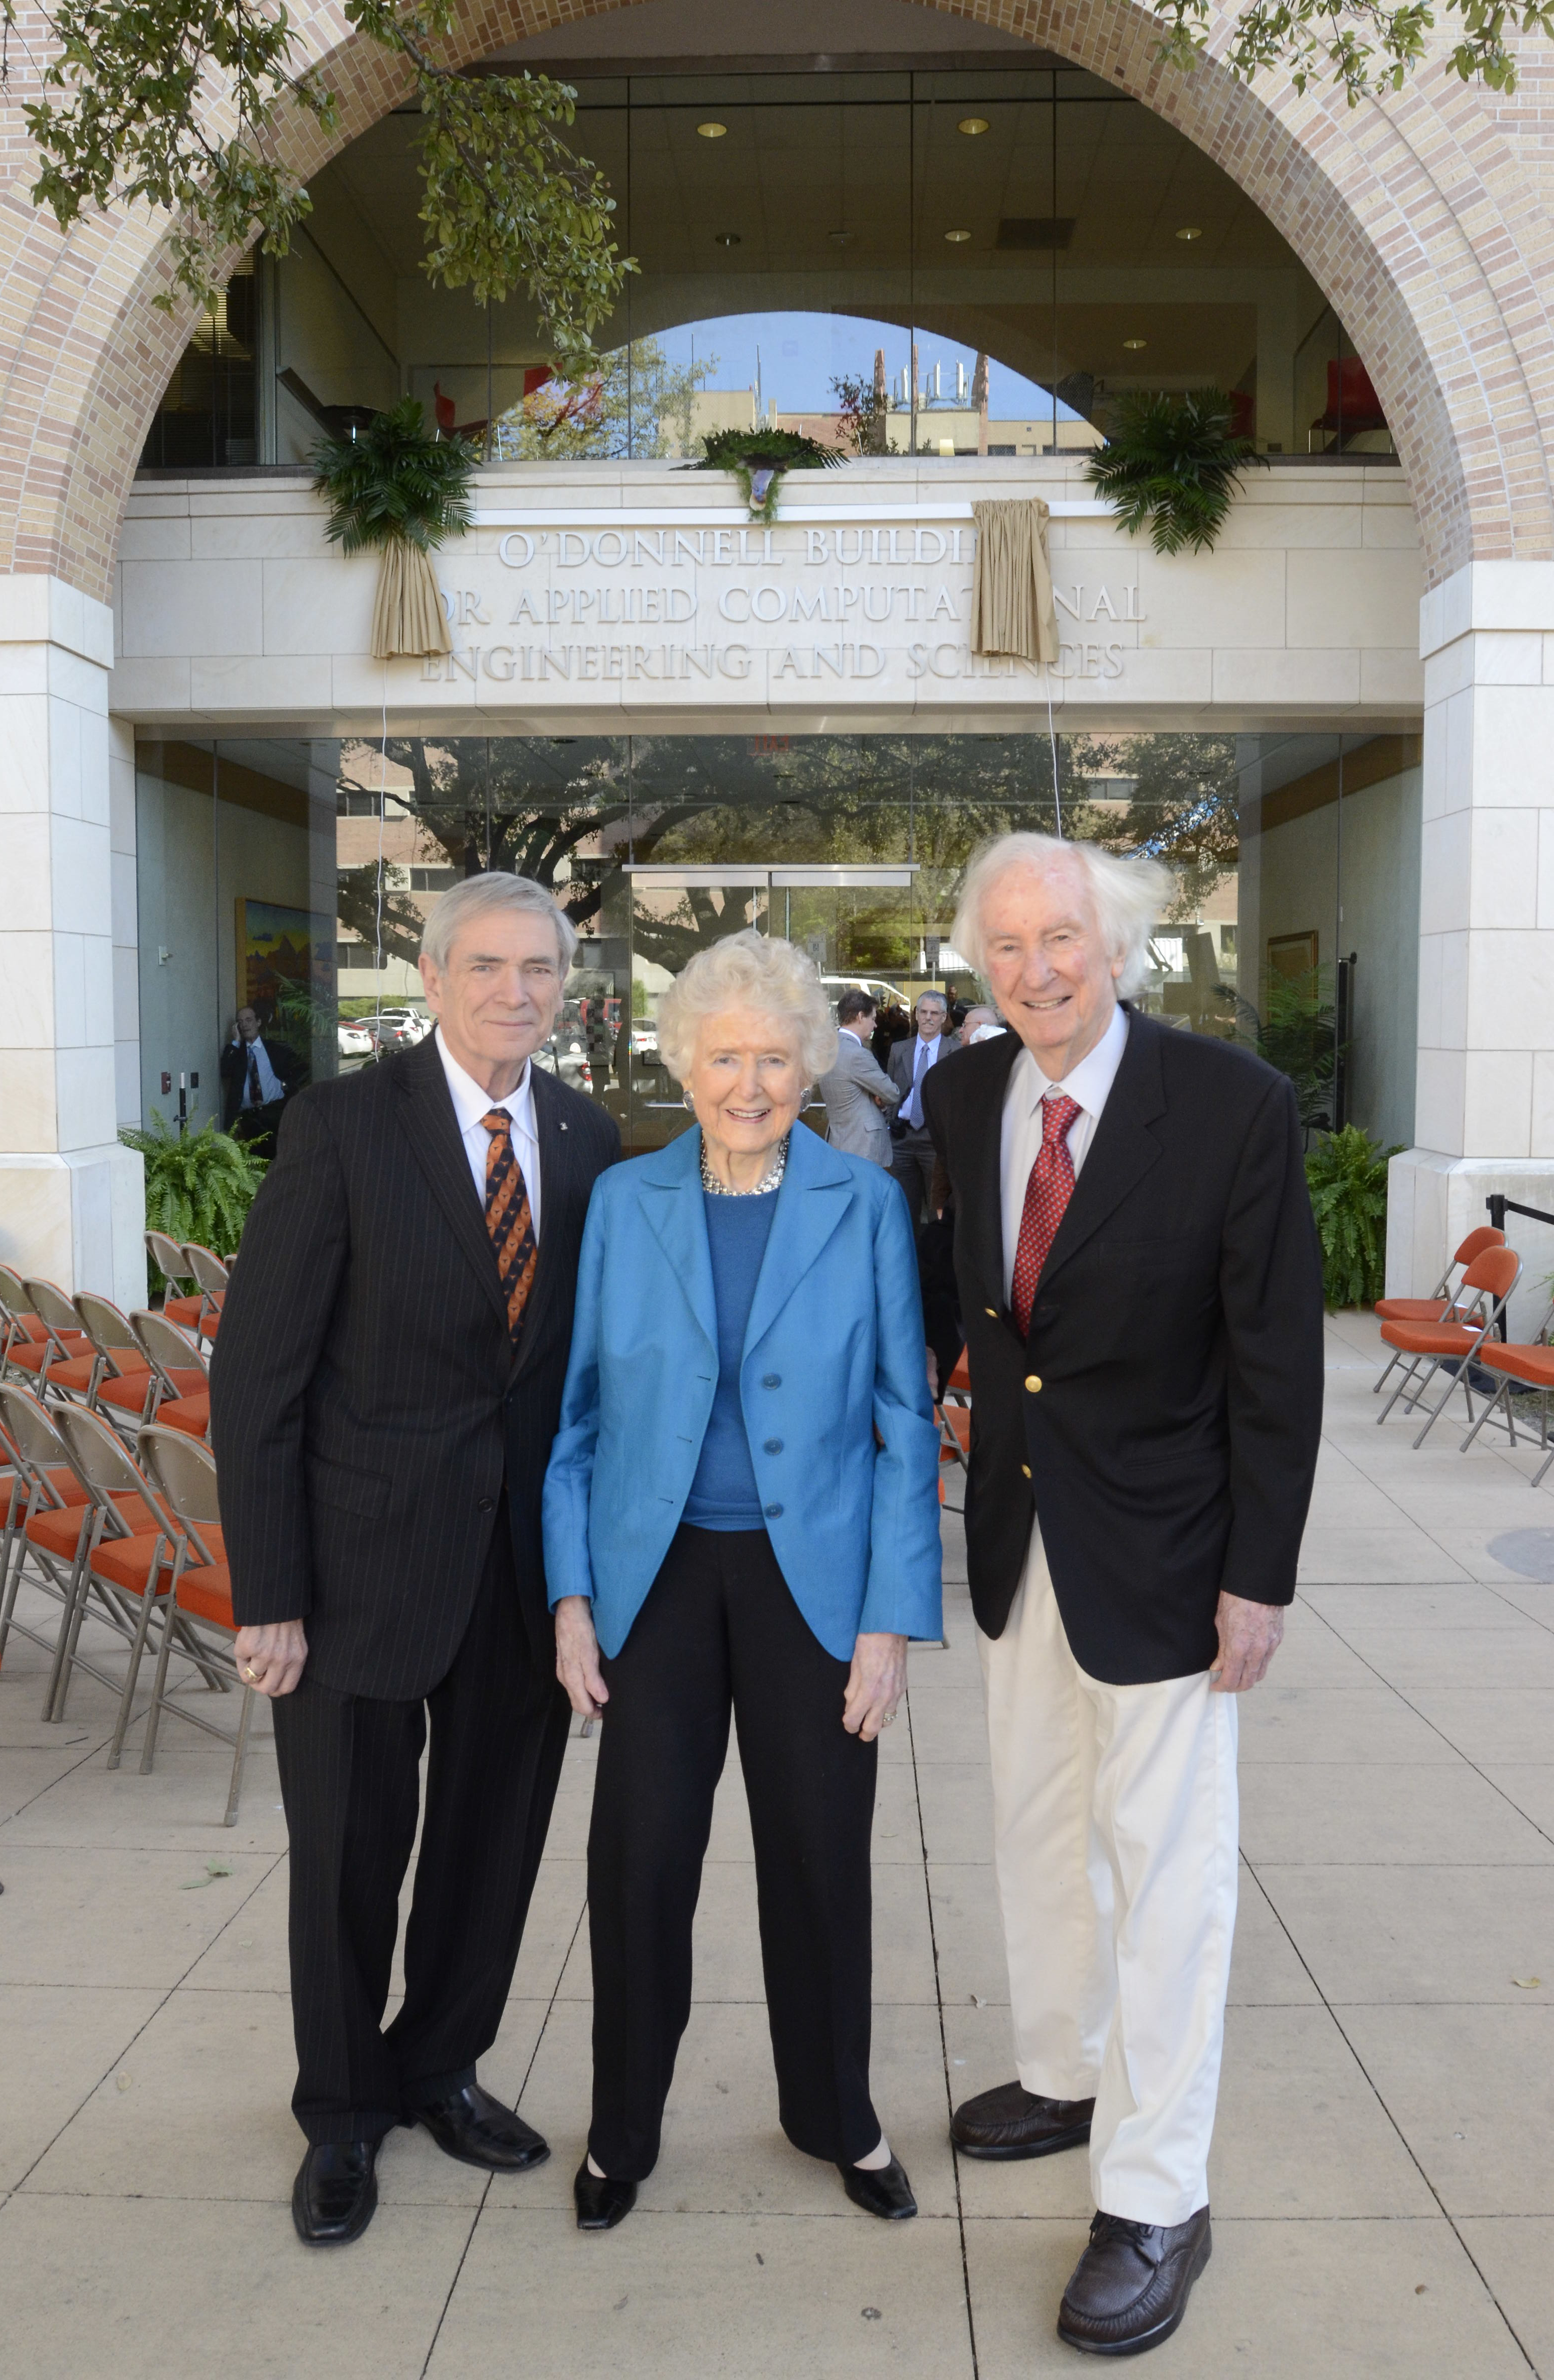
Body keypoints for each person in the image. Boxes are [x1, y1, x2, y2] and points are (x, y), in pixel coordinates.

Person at [921, 832, 1321, 2357]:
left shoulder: (1229, 1107)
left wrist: (1256, 1576)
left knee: (1167, 1872)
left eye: (1061, 937)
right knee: (1031, 1824)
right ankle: (1062, 2067)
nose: (1034, 965)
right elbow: (971, 1308)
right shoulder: (964, 1095)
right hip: (1018, 1535)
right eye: (1006, 941)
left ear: (1121, 944)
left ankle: (1155, 2193)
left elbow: (1275, 1362)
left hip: (1167, 1550)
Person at [211, 872, 621, 2250]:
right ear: (433, 979)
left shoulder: (588, 1134)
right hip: (355, 1573)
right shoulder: (339, 1127)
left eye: (540, 970)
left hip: (521, 1579)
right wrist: (266, 1592)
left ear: (565, 988)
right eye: (488, 967)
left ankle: (439, 2064)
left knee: (489, 1853)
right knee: (344, 1860)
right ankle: (340, 2113)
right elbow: (255, 1379)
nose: (516, 991)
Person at [542, 930, 942, 2235]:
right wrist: (570, 1596)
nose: (752, 1082)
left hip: (812, 1585)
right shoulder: (623, 1203)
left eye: (776, 1056)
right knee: (640, 1859)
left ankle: (838, 2114)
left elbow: (903, 1421)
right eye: (727, 1056)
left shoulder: (864, 1206)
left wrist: (890, 1620)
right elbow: (580, 1420)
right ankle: (623, 2130)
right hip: (652, 1580)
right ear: (685, 1062)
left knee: (821, 1860)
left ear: (813, 1064)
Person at [887, 988, 960, 1227]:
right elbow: (890, 1090)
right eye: (924, 1012)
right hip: (903, 1138)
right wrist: (891, 1121)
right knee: (904, 1211)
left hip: (935, 1140)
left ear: (943, 1017)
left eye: (935, 1013)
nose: (929, 1018)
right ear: (916, 1015)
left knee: (937, 1211)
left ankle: (932, 1263)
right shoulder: (899, 1050)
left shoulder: (955, 1051)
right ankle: (909, 1261)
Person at [817, 987, 901, 1165]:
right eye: (873, 1018)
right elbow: (892, 1093)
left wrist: (874, 1095)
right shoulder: (857, 1054)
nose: (876, 1025)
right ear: (861, 1017)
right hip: (863, 1146)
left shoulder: (829, 1049)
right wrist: (877, 1096)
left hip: (839, 1141)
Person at [220, 1003, 305, 1147]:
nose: (245, 1025)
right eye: (240, 1022)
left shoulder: (274, 1049)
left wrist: (285, 1086)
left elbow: (301, 1069)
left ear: (258, 1022)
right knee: (253, 1161)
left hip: (275, 1112)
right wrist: (235, 1042)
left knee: (278, 1154)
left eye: (249, 1020)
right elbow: (225, 1071)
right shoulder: (237, 1052)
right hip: (248, 1118)